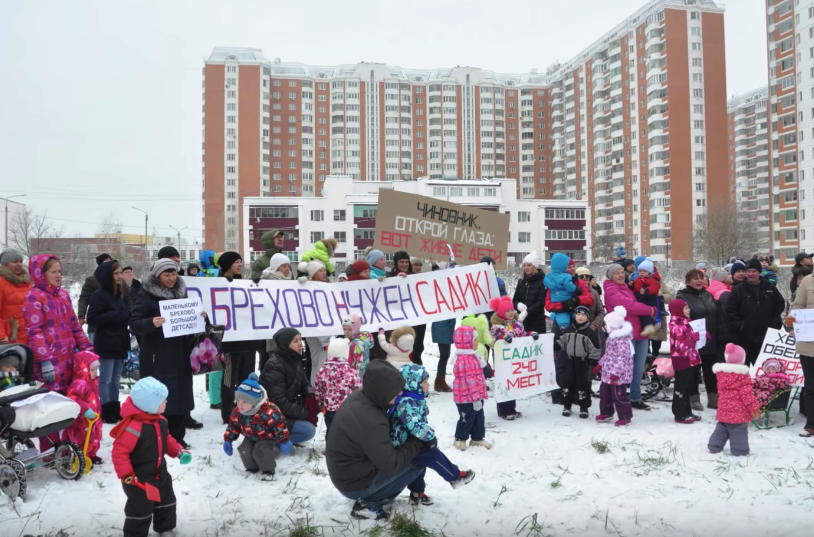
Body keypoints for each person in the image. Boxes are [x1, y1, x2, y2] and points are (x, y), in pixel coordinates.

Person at [325, 360, 426, 521]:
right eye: (396, 392)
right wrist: (418, 441)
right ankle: (369, 502)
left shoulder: (363, 396)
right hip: (353, 484)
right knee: (419, 460)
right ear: (383, 392)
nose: (401, 394)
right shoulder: (370, 419)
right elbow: (391, 465)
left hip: (346, 472)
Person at [24, 254, 94, 451]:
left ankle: (69, 446)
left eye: (59, 272)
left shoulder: (63, 295)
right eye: (53, 272)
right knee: (51, 408)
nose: (58, 275)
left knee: (70, 404)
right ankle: (50, 451)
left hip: (68, 361)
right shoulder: (34, 297)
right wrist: (44, 360)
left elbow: (74, 325)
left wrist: (88, 349)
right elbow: (34, 331)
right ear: (40, 274)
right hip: (48, 366)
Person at [129, 259, 200, 448]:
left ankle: (178, 437)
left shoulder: (182, 293)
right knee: (160, 397)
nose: (171, 278)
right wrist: (151, 323)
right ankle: (159, 438)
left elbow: (189, 320)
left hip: (181, 352)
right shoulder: (146, 295)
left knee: (181, 396)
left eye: (174, 274)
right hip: (157, 355)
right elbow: (134, 323)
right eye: (166, 275)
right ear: (157, 276)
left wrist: (200, 317)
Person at [110, 377, 191, 537]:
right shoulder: (132, 428)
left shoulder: (160, 421)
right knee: (141, 509)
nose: (166, 401)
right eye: (162, 400)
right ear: (150, 405)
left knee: (167, 501)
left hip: (160, 473)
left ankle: (165, 529)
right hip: (138, 480)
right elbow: (119, 452)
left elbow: (167, 440)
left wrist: (178, 451)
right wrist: (126, 475)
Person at [390, 362, 475, 505]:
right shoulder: (407, 402)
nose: (427, 385)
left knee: (418, 463)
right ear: (412, 383)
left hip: (408, 440)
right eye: (424, 381)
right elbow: (414, 425)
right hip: (403, 443)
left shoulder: (412, 399)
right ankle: (454, 477)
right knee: (433, 455)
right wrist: (429, 436)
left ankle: (417, 492)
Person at [602, 264, 658, 411]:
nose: (621, 275)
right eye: (617, 273)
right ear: (611, 276)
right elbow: (630, 306)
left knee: (638, 368)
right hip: (624, 335)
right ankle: (618, 397)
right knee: (623, 367)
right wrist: (650, 310)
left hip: (640, 332)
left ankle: (635, 397)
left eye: (622, 272)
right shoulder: (611, 290)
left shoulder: (627, 288)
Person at [217, 251, 263, 425]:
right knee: (229, 379)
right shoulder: (217, 283)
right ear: (228, 264)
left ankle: (246, 408)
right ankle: (228, 413)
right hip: (230, 343)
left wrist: (258, 287)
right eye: (236, 261)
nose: (240, 264)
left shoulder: (245, 283)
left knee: (247, 378)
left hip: (249, 341)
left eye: (241, 261)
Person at [222, 373, 291, 480]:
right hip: (250, 436)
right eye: (239, 400)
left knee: (261, 449)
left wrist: (284, 441)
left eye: (245, 401)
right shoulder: (238, 412)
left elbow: (280, 426)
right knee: (244, 449)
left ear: (254, 401)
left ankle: (268, 470)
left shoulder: (268, 411)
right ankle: (251, 468)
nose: (240, 405)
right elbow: (233, 426)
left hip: (266, 437)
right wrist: (228, 440)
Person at [86, 260, 131, 424]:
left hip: (119, 340)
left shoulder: (118, 293)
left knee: (115, 378)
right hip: (106, 341)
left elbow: (123, 313)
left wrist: (126, 316)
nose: (120, 276)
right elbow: (92, 318)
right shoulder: (99, 294)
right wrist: (111, 316)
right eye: (116, 273)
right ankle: (105, 410)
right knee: (105, 378)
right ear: (108, 275)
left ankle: (114, 409)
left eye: (120, 273)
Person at [259, 328, 318, 445]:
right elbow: (279, 402)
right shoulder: (275, 365)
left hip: (285, 409)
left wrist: (310, 397)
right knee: (308, 431)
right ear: (285, 344)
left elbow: (304, 383)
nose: (300, 344)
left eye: (300, 340)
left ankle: (283, 434)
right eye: (295, 341)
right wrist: (305, 413)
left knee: (315, 408)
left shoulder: (293, 359)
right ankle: (268, 440)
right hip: (270, 415)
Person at [726, 258, 785, 366]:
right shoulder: (738, 290)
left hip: (765, 337)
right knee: (745, 371)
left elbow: (780, 304)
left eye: (754, 271)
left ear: (759, 272)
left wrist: (775, 322)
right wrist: (740, 326)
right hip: (744, 338)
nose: (751, 274)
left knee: (764, 371)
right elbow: (730, 310)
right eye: (748, 271)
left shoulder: (769, 287)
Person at [676, 269, 721, 410]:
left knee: (710, 369)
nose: (699, 281)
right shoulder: (682, 297)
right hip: (693, 340)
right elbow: (679, 319)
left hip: (710, 337)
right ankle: (693, 396)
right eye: (695, 278)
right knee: (694, 370)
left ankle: (713, 396)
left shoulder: (708, 295)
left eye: (701, 278)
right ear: (688, 281)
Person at [708, 344, 760, 456]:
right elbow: (746, 395)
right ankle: (739, 451)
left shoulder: (721, 375)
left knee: (722, 429)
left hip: (724, 409)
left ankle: (714, 446)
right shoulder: (742, 376)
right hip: (739, 412)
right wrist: (754, 408)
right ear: (742, 359)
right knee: (739, 431)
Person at [489, 295, 535, 420]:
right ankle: (503, 410)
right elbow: (491, 341)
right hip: (502, 360)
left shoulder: (518, 325)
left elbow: (524, 336)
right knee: (504, 383)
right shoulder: (496, 327)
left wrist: (531, 334)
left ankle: (511, 408)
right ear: (500, 312)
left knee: (512, 383)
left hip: (515, 360)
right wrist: (502, 338)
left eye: (511, 310)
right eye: (507, 311)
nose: (510, 313)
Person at [452, 325, 492, 449]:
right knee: (466, 417)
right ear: (466, 342)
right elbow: (467, 380)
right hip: (466, 397)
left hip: (476, 396)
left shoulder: (473, 356)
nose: (477, 342)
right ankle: (460, 438)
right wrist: (475, 398)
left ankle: (477, 438)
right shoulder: (463, 360)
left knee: (479, 417)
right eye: (475, 340)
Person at [557, 306, 601, 418]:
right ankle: (567, 405)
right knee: (567, 383)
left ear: (587, 317)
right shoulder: (568, 330)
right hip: (570, 361)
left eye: (583, 315)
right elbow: (561, 343)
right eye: (578, 314)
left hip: (583, 363)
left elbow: (595, 350)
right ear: (575, 316)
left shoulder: (590, 333)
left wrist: (592, 365)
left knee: (583, 385)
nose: (580, 317)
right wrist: (553, 344)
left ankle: (584, 407)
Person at [593, 306, 634, 426]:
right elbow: (608, 354)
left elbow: (622, 359)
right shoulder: (611, 338)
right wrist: (600, 365)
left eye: (605, 324)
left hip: (617, 375)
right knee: (605, 394)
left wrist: (615, 373)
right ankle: (606, 413)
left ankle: (625, 416)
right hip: (607, 373)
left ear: (612, 326)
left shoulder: (622, 341)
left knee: (618, 395)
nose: (604, 327)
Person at [63, 350, 103, 464]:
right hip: (82, 418)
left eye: (96, 369)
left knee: (93, 435)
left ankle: (90, 454)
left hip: (93, 418)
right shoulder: (80, 383)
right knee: (82, 436)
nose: (95, 372)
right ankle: (78, 455)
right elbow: (73, 397)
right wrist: (85, 409)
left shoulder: (92, 382)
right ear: (83, 368)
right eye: (92, 369)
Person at [314, 337, 362, 434]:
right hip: (347, 409)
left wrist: (320, 404)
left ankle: (331, 448)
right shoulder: (351, 372)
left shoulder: (322, 371)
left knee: (331, 431)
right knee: (346, 432)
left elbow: (318, 390)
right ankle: (345, 448)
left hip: (329, 410)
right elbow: (359, 390)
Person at [787, 270, 814, 437]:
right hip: (808, 343)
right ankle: (811, 424)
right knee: (811, 387)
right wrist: (793, 323)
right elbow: (798, 306)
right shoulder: (808, 281)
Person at [668, 299, 702, 424]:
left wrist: (702, 336)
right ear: (678, 311)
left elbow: (692, 342)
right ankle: (679, 413)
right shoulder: (676, 326)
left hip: (692, 359)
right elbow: (679, 347)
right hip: (682, 360)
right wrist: (691, 340)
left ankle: (687, 411)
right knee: (681, 387)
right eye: (686, 308)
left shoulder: (687, 323)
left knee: (688, 387)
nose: (689, 310)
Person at [259, 253, 294, 373]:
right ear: (276, 267)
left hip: (287, 326)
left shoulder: (291, 282)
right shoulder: (266, 281)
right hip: (273, 328)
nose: (287, 269)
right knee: (275, 364)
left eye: (288, 266)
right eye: (284, 266)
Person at [77, 253, 113, 342]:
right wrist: (81, 316)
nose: (109, 264)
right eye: (106, 261)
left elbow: (126, 299)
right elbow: (84, 299)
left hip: (114, 326)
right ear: (100, 265)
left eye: (110, 261)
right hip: (96, 326)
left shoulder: (117, 280)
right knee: (96, 354)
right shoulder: (92, 280)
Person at [0, 247, 31, 345]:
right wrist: (1, 337)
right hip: (10, 338)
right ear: (5, 264)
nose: (19, 264)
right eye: (15, 261)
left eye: (21, 261)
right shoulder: (1, 283)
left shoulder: (27, 282)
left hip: (30, 335)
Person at [513, 251, 547, 337]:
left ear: (534, 266)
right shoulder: (521, 281)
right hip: (521, 322)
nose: (526, 268)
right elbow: (515, 299)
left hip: (537, 322)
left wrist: (527, 312)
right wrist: (518, 305)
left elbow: (540, 302)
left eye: (529, 265)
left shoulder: (542, 282)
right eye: (524, 265)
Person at [543, 253, 577, 330]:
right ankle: (565, 325)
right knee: (565, 313)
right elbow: (548, 304)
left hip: (556, 300)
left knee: (561, 316)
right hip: (565, 301)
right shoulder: (565, 276)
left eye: (573, 267)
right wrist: (575, 289)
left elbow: (545, 283)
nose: (571, 269)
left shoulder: (549, 277)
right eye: (568, 267)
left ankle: (563, 325)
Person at [632, 259, 662, 337]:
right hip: (641, 298)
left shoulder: (650, 280)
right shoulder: (638, 279)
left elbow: (655, 287)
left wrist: (646, 290)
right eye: (640, 271)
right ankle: (652, 324)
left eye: (644, 271)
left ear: (650, 272)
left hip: (648, 299)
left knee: (643, 313)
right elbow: (635, 288)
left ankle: (648, 325)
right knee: (642, 313)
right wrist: (631, 285)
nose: (642, 273)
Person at [342, 313, 374, 379]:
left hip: (357, 376)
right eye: (344, 329)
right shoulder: (351, 340)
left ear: (355, 329)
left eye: (349, 329)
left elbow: (361, 364)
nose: (346, 332)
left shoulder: (357, 343)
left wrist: (357, 379)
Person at [431, 317, 455, 393]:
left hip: (445, 328)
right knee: (444, 355)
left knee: (445, 355)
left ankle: (440, 380)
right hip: (444, 329)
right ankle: (440, 381)